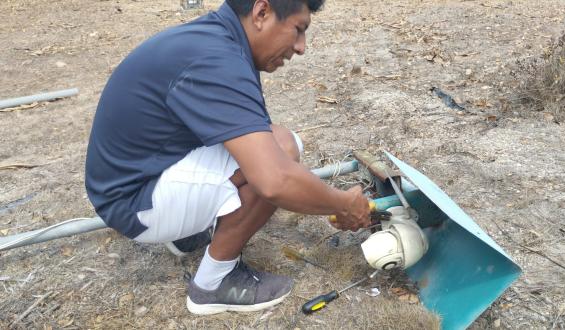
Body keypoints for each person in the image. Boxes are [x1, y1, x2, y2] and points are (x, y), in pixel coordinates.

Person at [85, 0, 371, 315]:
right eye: (298, 30)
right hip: (134, 203)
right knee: (282, 151)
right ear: (262, 13)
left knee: (272, 144)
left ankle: (186, 234)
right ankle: (214, 282)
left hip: (135, 179)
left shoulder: (215, 38)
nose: (301, 47)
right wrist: (343, 204)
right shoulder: (217, 59)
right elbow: (276, 181)